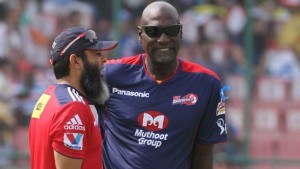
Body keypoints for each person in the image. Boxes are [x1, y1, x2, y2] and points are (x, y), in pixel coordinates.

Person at [98, 1, 227, 169]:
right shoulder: (110, 74)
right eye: (153, 31)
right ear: (140, 35)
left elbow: (203, 152)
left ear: (180, 32)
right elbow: (66, 100)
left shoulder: (207, 84)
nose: (163, 39)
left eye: (171, 30)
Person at [29, 27, 118, 169]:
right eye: (97, 54)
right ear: (75, 61)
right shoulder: (73, 107)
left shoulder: (47, 97)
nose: (104, 59)